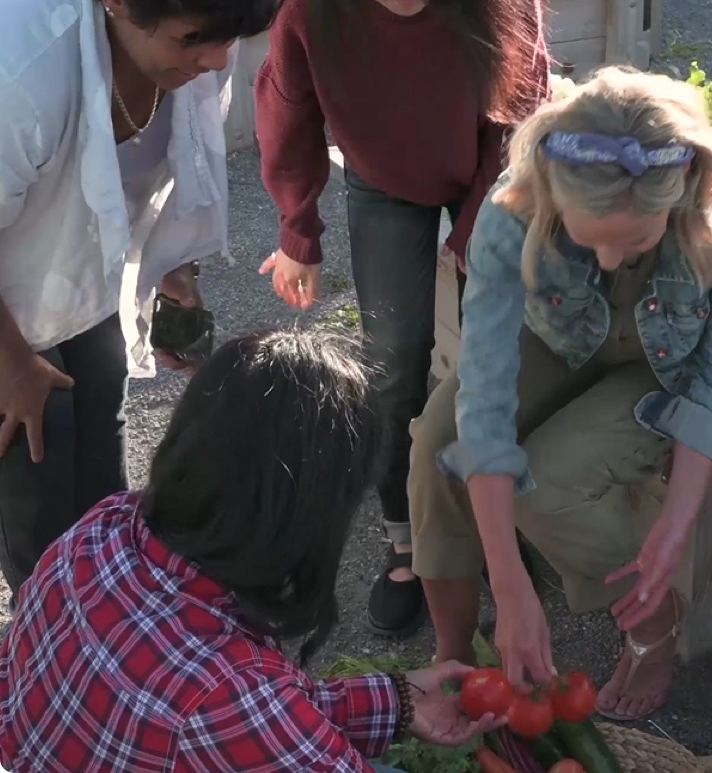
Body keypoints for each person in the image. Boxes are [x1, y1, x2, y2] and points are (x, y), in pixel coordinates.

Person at [255, 0, 549, 639]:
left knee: (494, 356)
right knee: (394, 366)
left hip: (486, 175)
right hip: (383, 180)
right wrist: (296, 228)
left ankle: (500, 522)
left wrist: (474, 238)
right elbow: (288, 106)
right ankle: (406, 541)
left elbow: (521, 116)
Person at [407, 66, 712, 721]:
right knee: (436, 448)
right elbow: (486, 394)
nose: (609, 261)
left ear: (682, 199)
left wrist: (673, 529)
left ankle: (653, 625)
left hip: (660, 368)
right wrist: (510, 584)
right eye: (588, 239)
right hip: (555, 337)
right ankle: (457, 654)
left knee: (549, 487)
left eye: (635, 240)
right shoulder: (512, 209)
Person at [0, 0, 285, 609]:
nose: (219, 61)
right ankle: (47, 655)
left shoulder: (187, 18)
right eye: (199, 41)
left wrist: (174, 272)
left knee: (100, 440)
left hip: (60, 257)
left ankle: (108, 625)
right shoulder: (18, 71)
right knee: (35, 465)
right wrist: (13, 366)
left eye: (232, 38)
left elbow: (159, 166)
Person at [0, 329, 503, 772]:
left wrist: (400, 702)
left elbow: (233, 722)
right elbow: (237, 716)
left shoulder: (104, 525)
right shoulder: (229, 691)